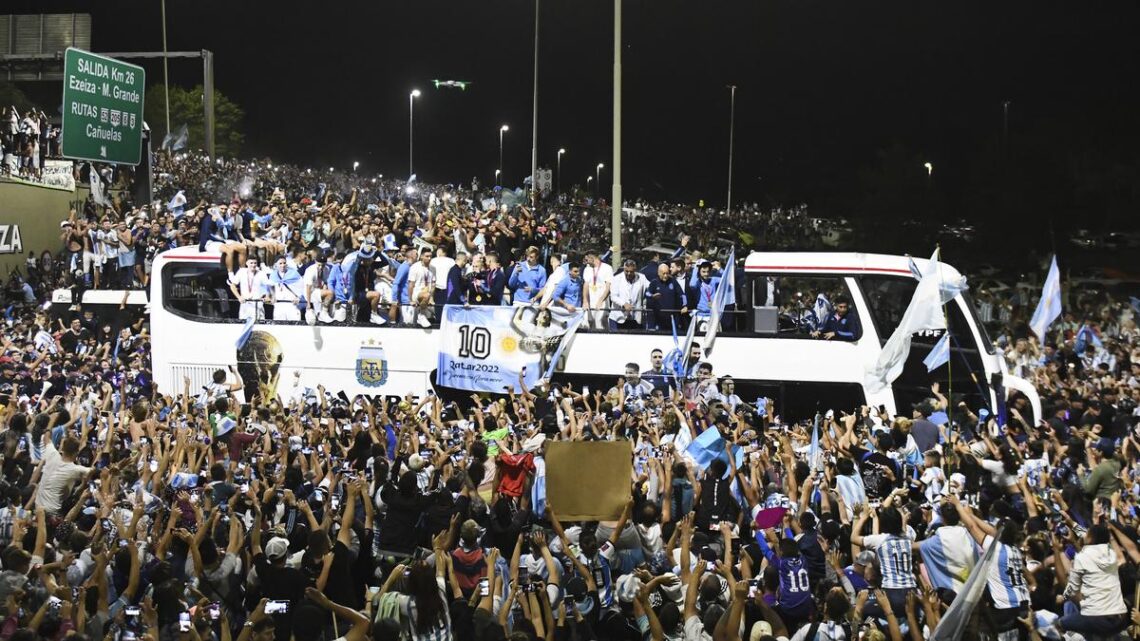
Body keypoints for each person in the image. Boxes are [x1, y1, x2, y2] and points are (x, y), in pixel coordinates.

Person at [608, 258, 649, 331]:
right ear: (624, 269)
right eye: (626, 271)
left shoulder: (642, 278)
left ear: (635, 270)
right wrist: (624, 304)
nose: (629, 273)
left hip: (635, 318)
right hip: (618, 317)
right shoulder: (616, 278)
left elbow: (650, 287)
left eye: (631, 271)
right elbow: (613, 296)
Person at [582, 251, 613, 330]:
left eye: (587, 259)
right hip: (590, 303)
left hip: (602, 303)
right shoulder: (587, 269)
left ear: (592, 258)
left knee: (600, 325)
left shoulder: (607, 268)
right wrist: (585, 301)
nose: (586, 262)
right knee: (587, 325)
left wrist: (601, 300)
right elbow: (586, 285)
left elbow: (608, 287)